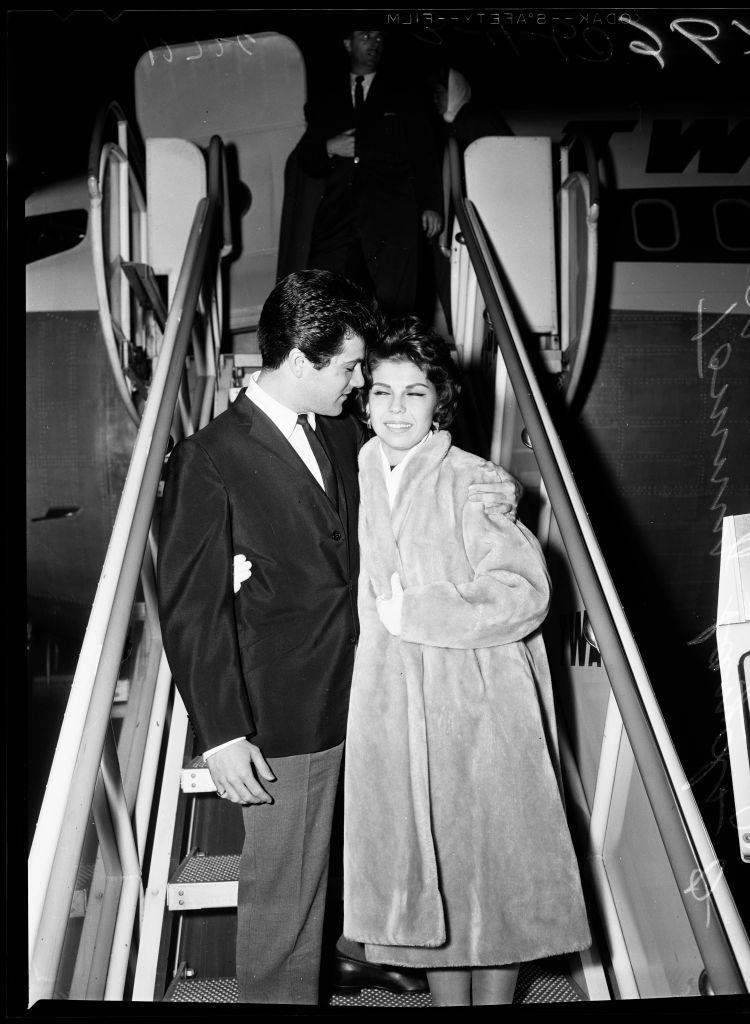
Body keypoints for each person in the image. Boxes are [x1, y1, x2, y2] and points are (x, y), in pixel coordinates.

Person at [157, 270, 519, 1004]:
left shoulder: (345, 433)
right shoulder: (210, 458)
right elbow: (190, 608)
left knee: (376, 865)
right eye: (351, 367)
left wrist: (497, 491)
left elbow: (423, 468)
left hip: (379, 697)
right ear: (302, 360)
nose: (360, 383)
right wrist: (223, 733)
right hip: (289, 715)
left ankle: (359, 954)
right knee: (283, 910)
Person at [342, 318, 591, 1006]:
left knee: (491, 890)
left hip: (476, 712)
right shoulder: (354, 475)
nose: (395, 408)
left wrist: (418, 614)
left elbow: (525, 593)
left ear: (439, 403)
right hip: (395, 716)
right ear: (363, 399)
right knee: (436, 901)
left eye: (413, 393)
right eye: (382, 392)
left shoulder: (473, 481)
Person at [297, 27, 443, 315]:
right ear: (347, 43)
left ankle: (391, 357)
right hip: (339, 214)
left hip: (391, 211)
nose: (373, 43)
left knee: (396, 300)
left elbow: (424, 152)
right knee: (327, 294)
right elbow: (307, 158)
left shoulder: (407, 92)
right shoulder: (325, 97)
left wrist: (431, 205)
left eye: (378, 38)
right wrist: (330, 146)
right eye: (365, 37)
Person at [430, 66, 513, 331]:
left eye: (440, 93)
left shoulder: (475, 120)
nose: (436, 99)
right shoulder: (453, 125)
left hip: (467, 225)